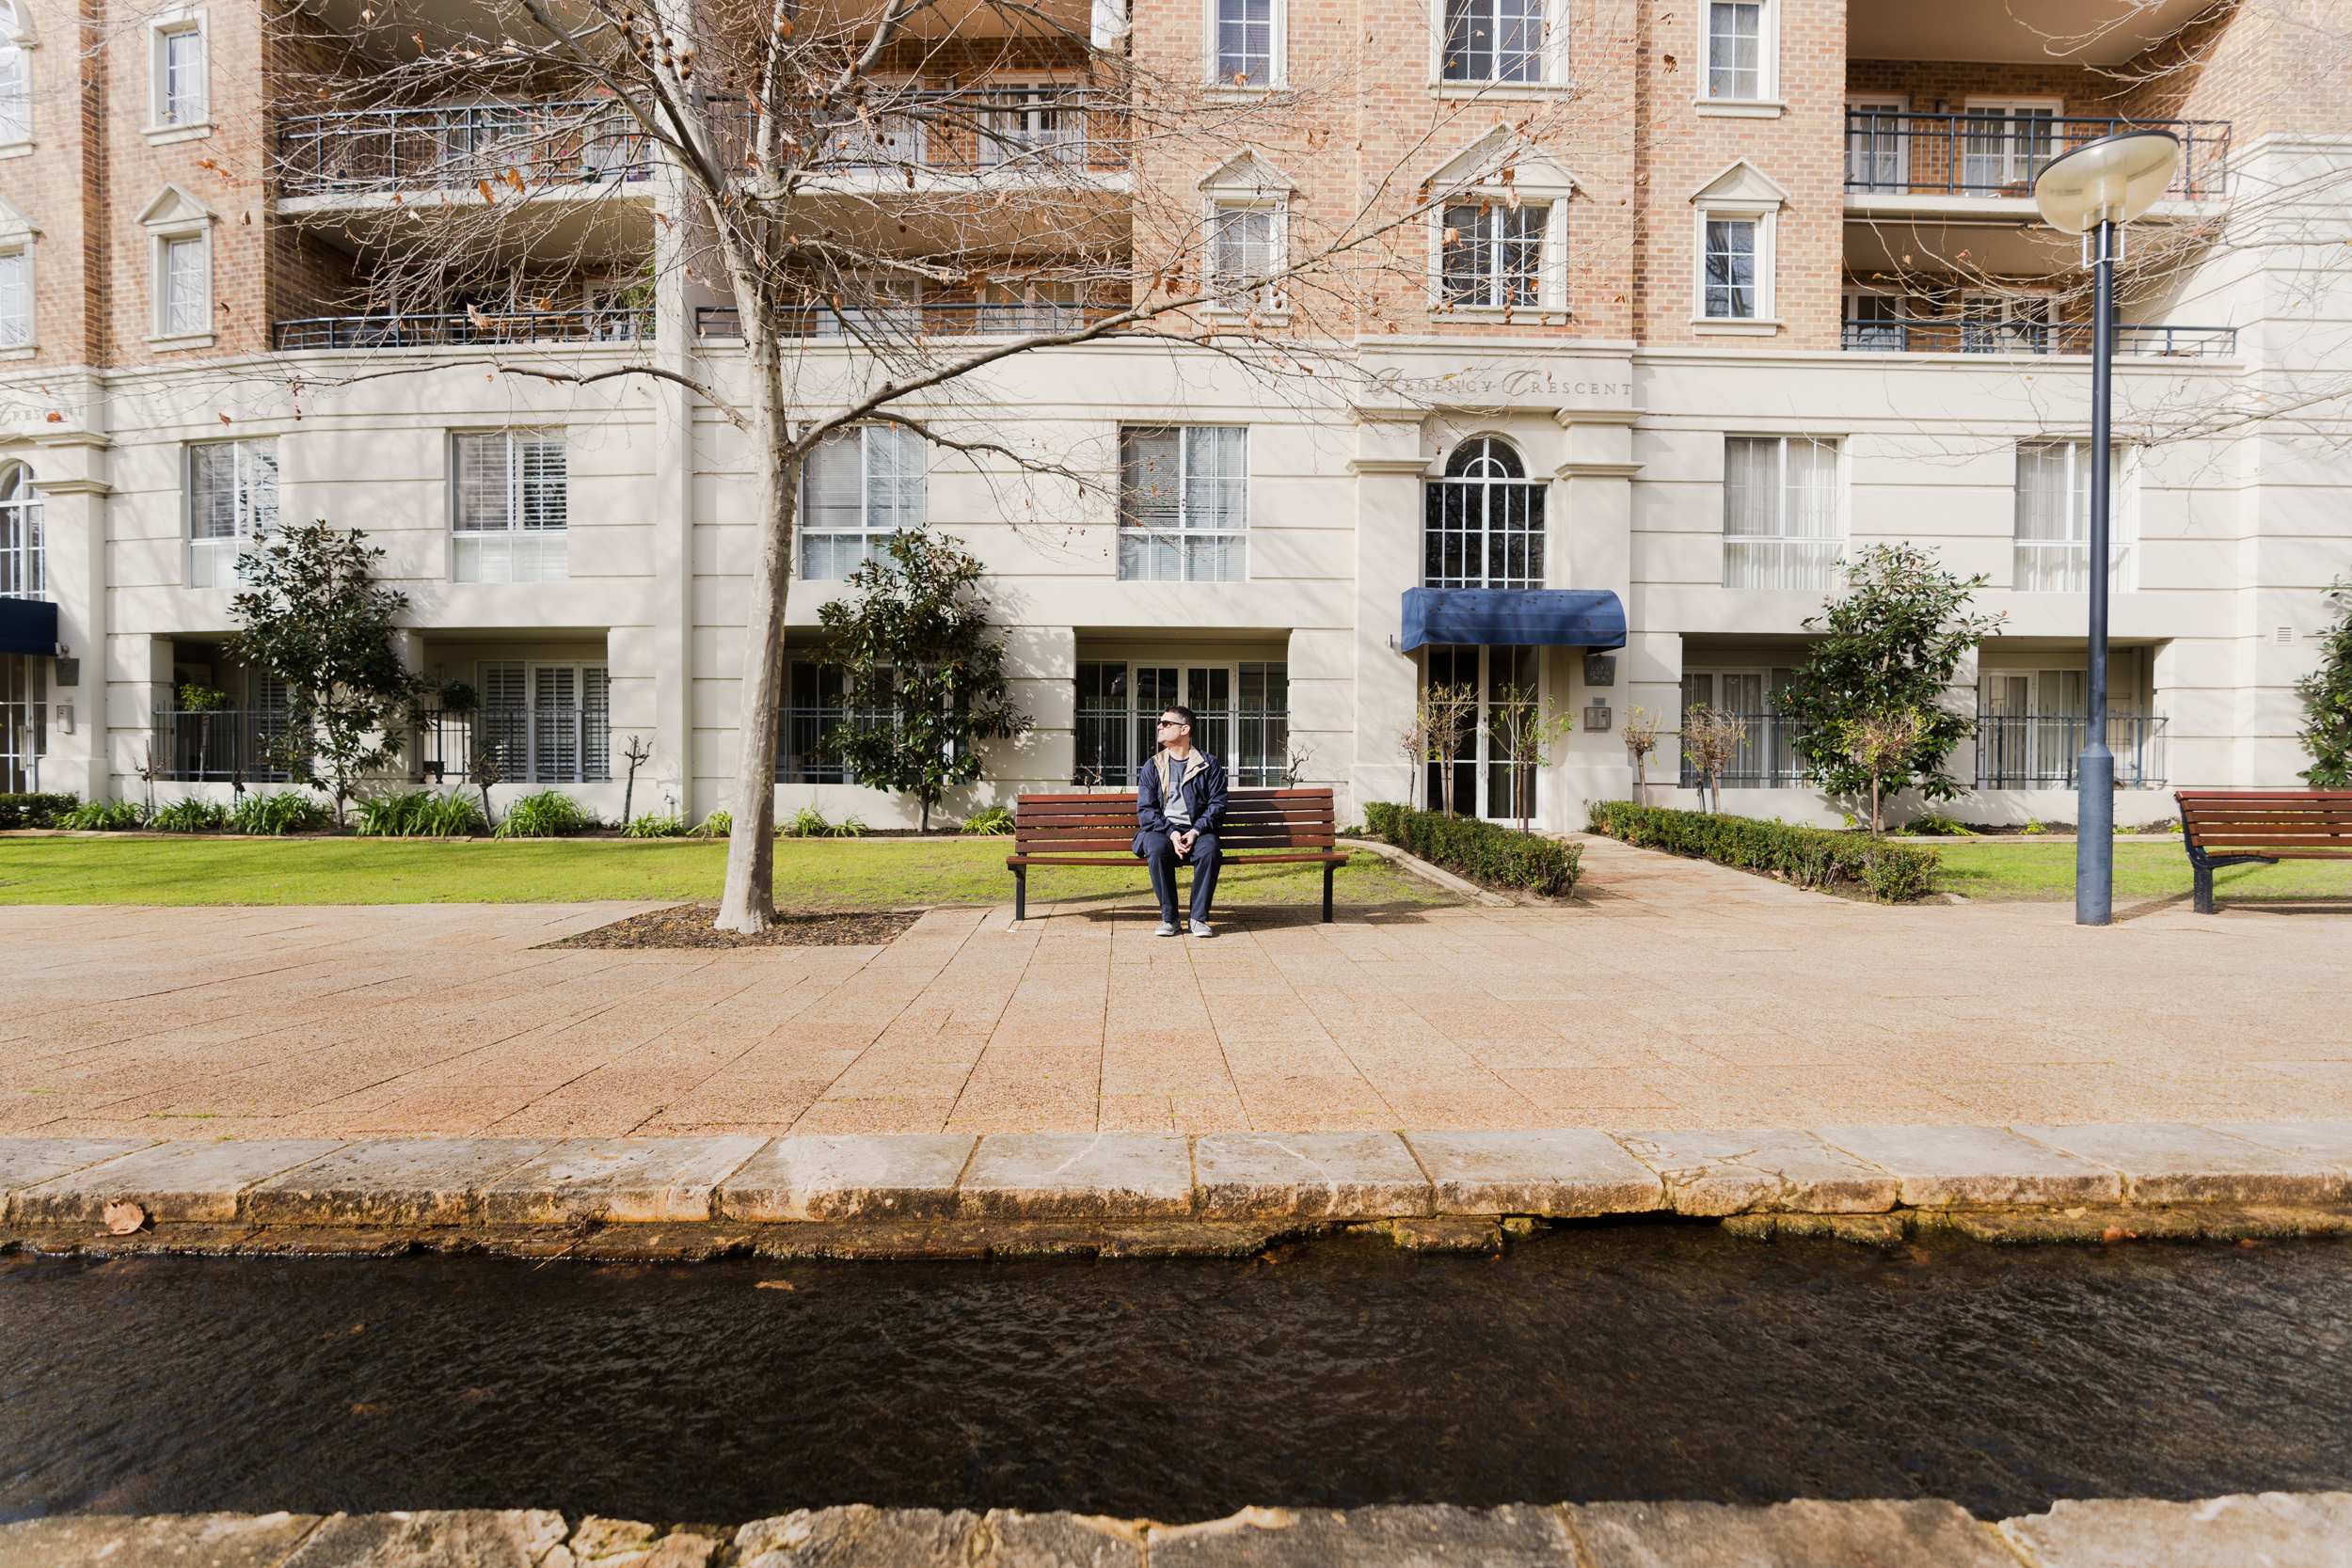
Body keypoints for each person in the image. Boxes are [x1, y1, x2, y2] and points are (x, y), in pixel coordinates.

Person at [1133, 704, 1227, 937]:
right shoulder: (1153, 766)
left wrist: (1195, 831)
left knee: (1210, 850)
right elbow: (1146, 810)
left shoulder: (1208, 764)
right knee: (1155, 847)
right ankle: (1170, 918)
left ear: (1184, 729)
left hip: (1198, 830)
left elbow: (1218, 804)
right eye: (1160, 723)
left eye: (1166, 723)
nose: (1160, 726)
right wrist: (1172, 833)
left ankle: (1198, 918)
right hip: (1162, 831)